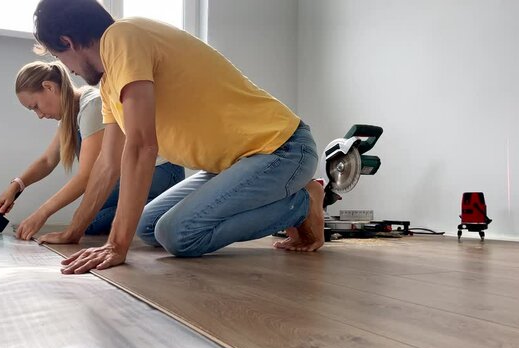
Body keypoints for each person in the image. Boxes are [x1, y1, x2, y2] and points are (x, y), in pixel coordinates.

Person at [32, 0, 325, 273]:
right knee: (148, 226)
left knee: (178, 234)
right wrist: (74, 231)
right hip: (233, 164)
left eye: (59, 56)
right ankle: (293, 201)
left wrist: (116, 245)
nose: (67, 68)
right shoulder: (110, 83)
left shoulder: (121, 37)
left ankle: (301, 205)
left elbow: (142, 145)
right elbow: (108, 164)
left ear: (67, 41)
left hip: (282, 148)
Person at [0, 61, 185, 241]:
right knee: (92, 222)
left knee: (87, 220)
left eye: (35, 106)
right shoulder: (71, 115)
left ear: (49, 87)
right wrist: (17, 185)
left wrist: (41, 214)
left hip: (161, 170)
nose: (39, 115)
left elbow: (87, 176)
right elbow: (47, 160)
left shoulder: (92, 106)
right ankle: (150, 206)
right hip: (137, 173)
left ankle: (164, 203)